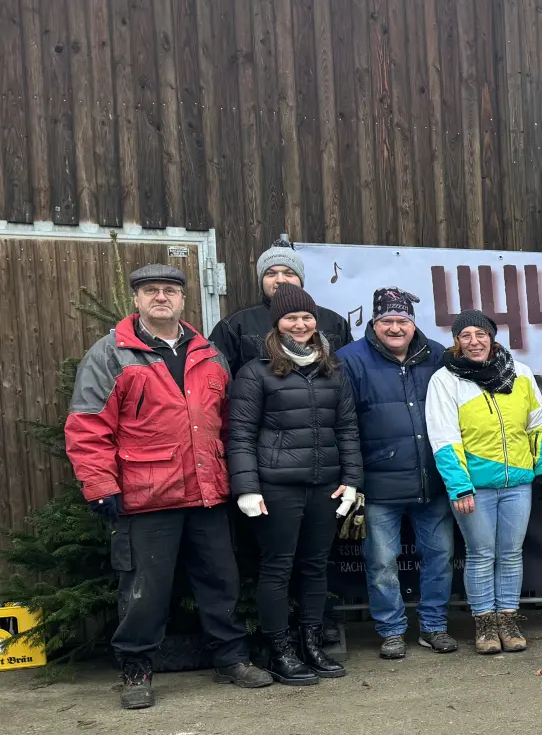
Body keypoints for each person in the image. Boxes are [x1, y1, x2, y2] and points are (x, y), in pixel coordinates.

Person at [65, 265, 273, 709]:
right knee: (145, 589)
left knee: (221, 581)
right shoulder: (111, 355)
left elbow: (230, 424)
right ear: (137, 300)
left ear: (183, 301)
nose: (161, 298)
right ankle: (136, 668)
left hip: (207, 491)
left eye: (170, 291)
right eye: (151, 291)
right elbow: (87, 425)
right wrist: (100, 484)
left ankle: (231, 658)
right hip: (145, 495)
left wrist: (240, 480)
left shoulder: (210, 354)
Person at [228, 284, 363, 684]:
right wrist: (247, 488)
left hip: (326, 487)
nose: (300, 324)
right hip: (277, 487)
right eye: (291, 317)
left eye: (307, 317)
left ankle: (311, 643)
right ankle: (279, 650)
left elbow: (348, 429)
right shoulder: (256, 372)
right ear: (277, 323)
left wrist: (352, 480)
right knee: (277, 569)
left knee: (316, 567)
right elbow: (240, 435)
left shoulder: (333, 370)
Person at [426, 309, 542, 655]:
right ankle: (485, 625)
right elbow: (444, 438)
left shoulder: (520, 373)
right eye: (465, 335)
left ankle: (508, 621)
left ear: (492, 338)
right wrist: (459, 486)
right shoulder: (445, 380)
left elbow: (537, 424)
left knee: (511, 554)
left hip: (517, 483)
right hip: (475, 486)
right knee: (481, 554)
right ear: (456, 342)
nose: (474, 341)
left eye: (480, 334)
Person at [337, 288, 456, 660]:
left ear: (413, 323)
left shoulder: (437, 355)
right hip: (378, 481)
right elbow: (344, 423)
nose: (394, 327)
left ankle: (434, 627)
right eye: (386, 320)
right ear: (374, 323)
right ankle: (391, 630)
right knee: (381, 561)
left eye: (401, 320)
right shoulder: (349, 360)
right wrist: (353, 476)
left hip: (432, 480)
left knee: (440, 556)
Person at [209, 235, 353, 374]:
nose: (280, 280)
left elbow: (349, 372)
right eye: (271, 274)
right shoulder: (234, 325)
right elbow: (216, 377)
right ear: (261, 281)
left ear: (301, 279)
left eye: (289, 273)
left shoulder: (335, 323)